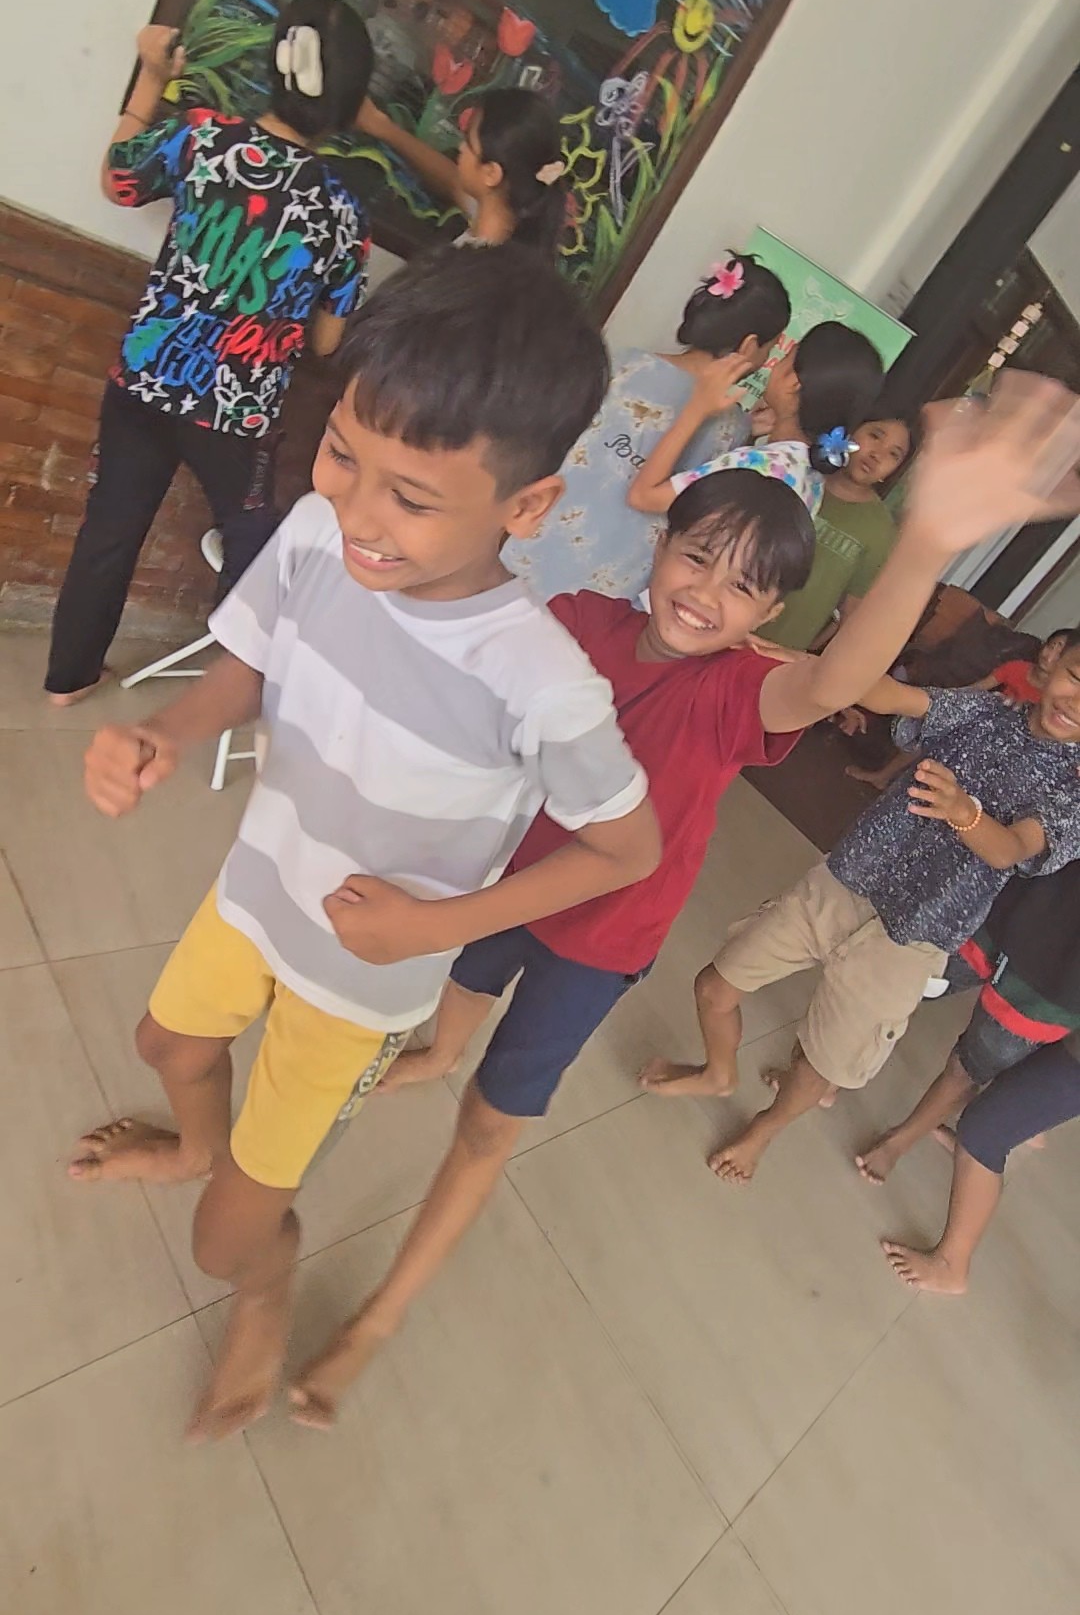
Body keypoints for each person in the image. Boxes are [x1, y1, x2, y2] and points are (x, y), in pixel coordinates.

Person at [278, 377, 1080, 1428]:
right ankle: (436, 1052)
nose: (707, 593)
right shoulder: (579, 620)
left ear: (769, 618)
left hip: (602, 937)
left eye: (744, 587)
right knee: (461, 996)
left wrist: (927, 541)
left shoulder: (738, 689)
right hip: (508, 886)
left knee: (487, 1126)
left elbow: (834, 682)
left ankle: (380, 1316)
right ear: (661, 546)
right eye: (697, 556)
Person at [68, 246, 662, 1442]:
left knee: (223, 1243)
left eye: (413, 497)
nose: (358, 513)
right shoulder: (309, 535)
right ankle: (196, 1149)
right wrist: (165, 732)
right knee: (164, 1043)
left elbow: (625, 851)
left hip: (357, 980)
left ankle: (265, 1283)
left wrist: (435, 928)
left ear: (526, 507)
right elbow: (252, 662)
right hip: (258, 888)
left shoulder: (540, 681)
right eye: (343, 453)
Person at [674, 582, 1080, 1187]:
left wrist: (963, 811)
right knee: (715, 985)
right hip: (845, 882)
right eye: (1077, 677)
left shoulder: (1073, 791)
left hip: (913, 938)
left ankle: (764, 1129)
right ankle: (718, 1071)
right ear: (1054, 663)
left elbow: (1012, 848)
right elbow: (892, 694)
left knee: (823, 1062)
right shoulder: (986, 712)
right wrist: (806, 664)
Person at [45, 0, 374, 706]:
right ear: (350, 101)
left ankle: (68, 679)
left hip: (145, 378)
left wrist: (151, 78)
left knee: (111, 526)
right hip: (236, 413)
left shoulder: (201, 139)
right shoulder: (343, 210)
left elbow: (119, 181)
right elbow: (327, 341)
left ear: (276, 66)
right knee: (251, 540)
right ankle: (230, 695)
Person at [507, 253, 791, 600]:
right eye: (770, 348)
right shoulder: (729, 427)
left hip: (526, 546)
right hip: (604, 591)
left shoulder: (625, 364)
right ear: (748, 346)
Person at [856, 771, 1080, 1183]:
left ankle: (898, 1142)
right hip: (1009, 905)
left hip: (1059, 978)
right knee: (906, 984)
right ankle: (829, 1070)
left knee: (973, 1063)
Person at [881, 855, 1080, 1293]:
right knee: (1000, 1090)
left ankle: (951, 1264)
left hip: (1055, 980)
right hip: (1030, 918)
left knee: (985, 1126)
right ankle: (1023, 1125)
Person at [627, 319, 885, 525]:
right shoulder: (813, 478)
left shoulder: (757, 466)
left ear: (793, 383)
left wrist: (697, 407)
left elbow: (644, 496)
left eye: (785, 357)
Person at [844, 626, 1067, 794]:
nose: (1050, 655)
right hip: (979, 720)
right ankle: (883, 777)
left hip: (1000, 744)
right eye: (1051, 646)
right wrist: (944, 700)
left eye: (1059, 653)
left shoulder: (1054, 699)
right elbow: (976, 689)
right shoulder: (1017, 667)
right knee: (931, 730)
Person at [765, 410, 917, 651]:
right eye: (875, 436)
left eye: (893, 454)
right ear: (850, 431)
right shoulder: (797, 476)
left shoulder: (880, 531)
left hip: (777, 653)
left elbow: (851, 615)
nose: (877, 454)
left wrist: (812, 660)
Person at [358, 86, 568, 251]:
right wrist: (380, 126)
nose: (461, 147)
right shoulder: (504, 227)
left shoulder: (480, 268)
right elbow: (452, 180)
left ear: (491, 173)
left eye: (468, 142)